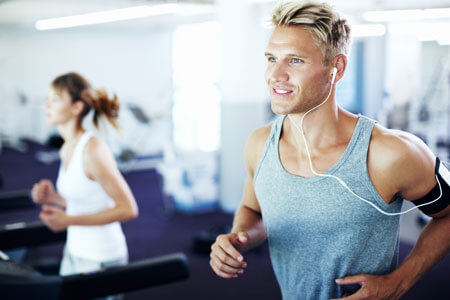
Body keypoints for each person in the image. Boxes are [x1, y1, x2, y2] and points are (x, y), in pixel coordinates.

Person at [209, 1, 450, 299]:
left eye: (295, 61)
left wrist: (400, 281)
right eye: (272, 58)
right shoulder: (259, 144)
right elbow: (253, 210)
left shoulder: (389, 153)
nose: (276, 75)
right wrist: (239, 238)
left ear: (336, 68)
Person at [32, 72, 138, 298]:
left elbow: (128, 209)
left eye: (56, 99)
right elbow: (90, 198)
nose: (47, 104)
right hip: (74, 250)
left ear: (76, 107)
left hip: (101, 257)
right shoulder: (67, 146)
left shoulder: (92, 149)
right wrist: (54, 198)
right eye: (48, 98)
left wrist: (68, 220)